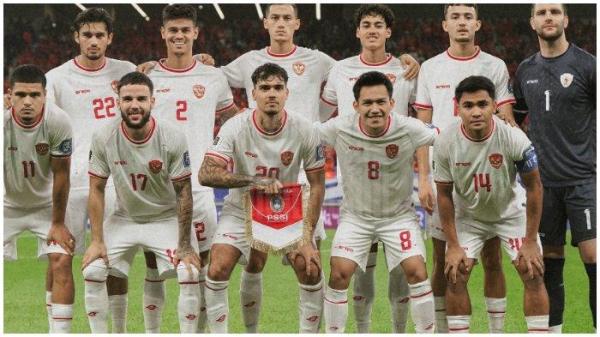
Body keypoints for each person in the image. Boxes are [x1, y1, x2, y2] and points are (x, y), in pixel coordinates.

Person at [199, 63, 325, 333]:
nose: (272, 93)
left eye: (278, 88)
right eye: (265, 88)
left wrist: (306, 236)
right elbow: (206, 173)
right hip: (242, 205)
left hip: (289, 206)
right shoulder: (235, 126)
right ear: (253, 93)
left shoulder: (304, 129)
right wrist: (254, 181)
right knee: (218, 267)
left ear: (287, 93)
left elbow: (317, 185)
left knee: (310, 267)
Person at [413, 4, 516, 332]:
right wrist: (424, 178)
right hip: (445, 178)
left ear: (478, 24)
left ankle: (495, 330)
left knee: (492, 259)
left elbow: (506, 119)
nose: (461, 22)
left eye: (467, 16)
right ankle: (444, 329)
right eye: (455, 16)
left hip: (487, 177)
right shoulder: (431, 68)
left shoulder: (495, 66)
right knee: (444, 261)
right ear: (445, 24)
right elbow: (422, 128)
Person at [319, 4, 421, 332]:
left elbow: (420, 123)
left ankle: (399, 330)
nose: (373, 29)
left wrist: (426, 176)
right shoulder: (340, 71)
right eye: (367, 24)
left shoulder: (407, 72)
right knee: (360, 267)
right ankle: (362, 330)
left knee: (399, 269)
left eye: (379, 24)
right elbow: (324, 120)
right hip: (357, 186)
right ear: (358, 32)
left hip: (396, 182)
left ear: (388, 32)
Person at [140, 4, 238, 333]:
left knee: (207, 268)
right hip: (158, 188)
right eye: (173, 30)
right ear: (163, 33)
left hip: (200, 187)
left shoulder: (213, 76)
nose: (179, 35)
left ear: (195, 33)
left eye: (185, 30)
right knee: (155, 267)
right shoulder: (148, 76)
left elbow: (231, 120)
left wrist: (226, 153)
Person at [81, 71, 201, 333]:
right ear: (118, 102)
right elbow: (96, 189)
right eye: (127, 99)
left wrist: (184, 245)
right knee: (92, 270)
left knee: (189, 272)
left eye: (141, 99)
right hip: (125, 219)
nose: (134, 105)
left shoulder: (172, 137)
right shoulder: (103, 136)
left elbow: (184, 192)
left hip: (165, 218)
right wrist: (97, 241)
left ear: (152, 102)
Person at [44, 8, 136, 332]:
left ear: (109, 38)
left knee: (112, 264)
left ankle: (117, 330)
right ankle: (60, 330)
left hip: (114, 181)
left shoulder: (127, 71)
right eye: (87, 35)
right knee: (60, 257)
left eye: (100, 35)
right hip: (70, 182)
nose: (93, 41)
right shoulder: (56, 78)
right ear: (76, 37)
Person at [434, 75, 549, 333]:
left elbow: (534, 187)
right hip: (469, 218)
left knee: (532, 271)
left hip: (510, 214)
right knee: (455, 274)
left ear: (494, 105)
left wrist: (530, 241)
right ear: (457, 107)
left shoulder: (513, 137)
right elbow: (443, 194)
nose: (476, 112)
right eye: (468, 105)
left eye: (482, 104)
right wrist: (452, 245)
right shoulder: (445, 142)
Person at [513, 4, 596, 332]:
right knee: (549, 265)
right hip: (542, 185)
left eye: (555, 11)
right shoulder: (524, 70)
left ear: (566, 20)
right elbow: (514, 119)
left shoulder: (587, 65)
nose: (549, 17)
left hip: (582, 180)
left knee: (594, 260)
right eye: (542, 12)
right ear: (533, 22)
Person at [4, 64, 74, 333]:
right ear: (9, 96)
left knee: (61, 259)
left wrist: (58, 223)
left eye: (35, 95)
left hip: (46, 205)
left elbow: (62, 175)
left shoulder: (58, 121)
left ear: (45, 95)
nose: (27, 102)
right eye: (21, 95)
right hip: (6, 205)